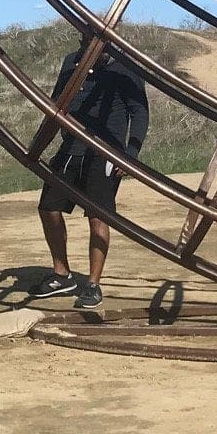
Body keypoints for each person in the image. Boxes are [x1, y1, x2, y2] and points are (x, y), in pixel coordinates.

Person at [29, 43, 150, 310]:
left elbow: (139, 111)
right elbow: (56, 104)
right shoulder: (73, 62)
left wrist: (130, 152)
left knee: (98, 217)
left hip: (106, 152)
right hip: (72, 147)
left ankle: (93, 284)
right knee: (48, 207)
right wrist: (39, 143)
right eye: (88, 44)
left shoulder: (126, 67)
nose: (95, 51)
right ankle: (62, 275)